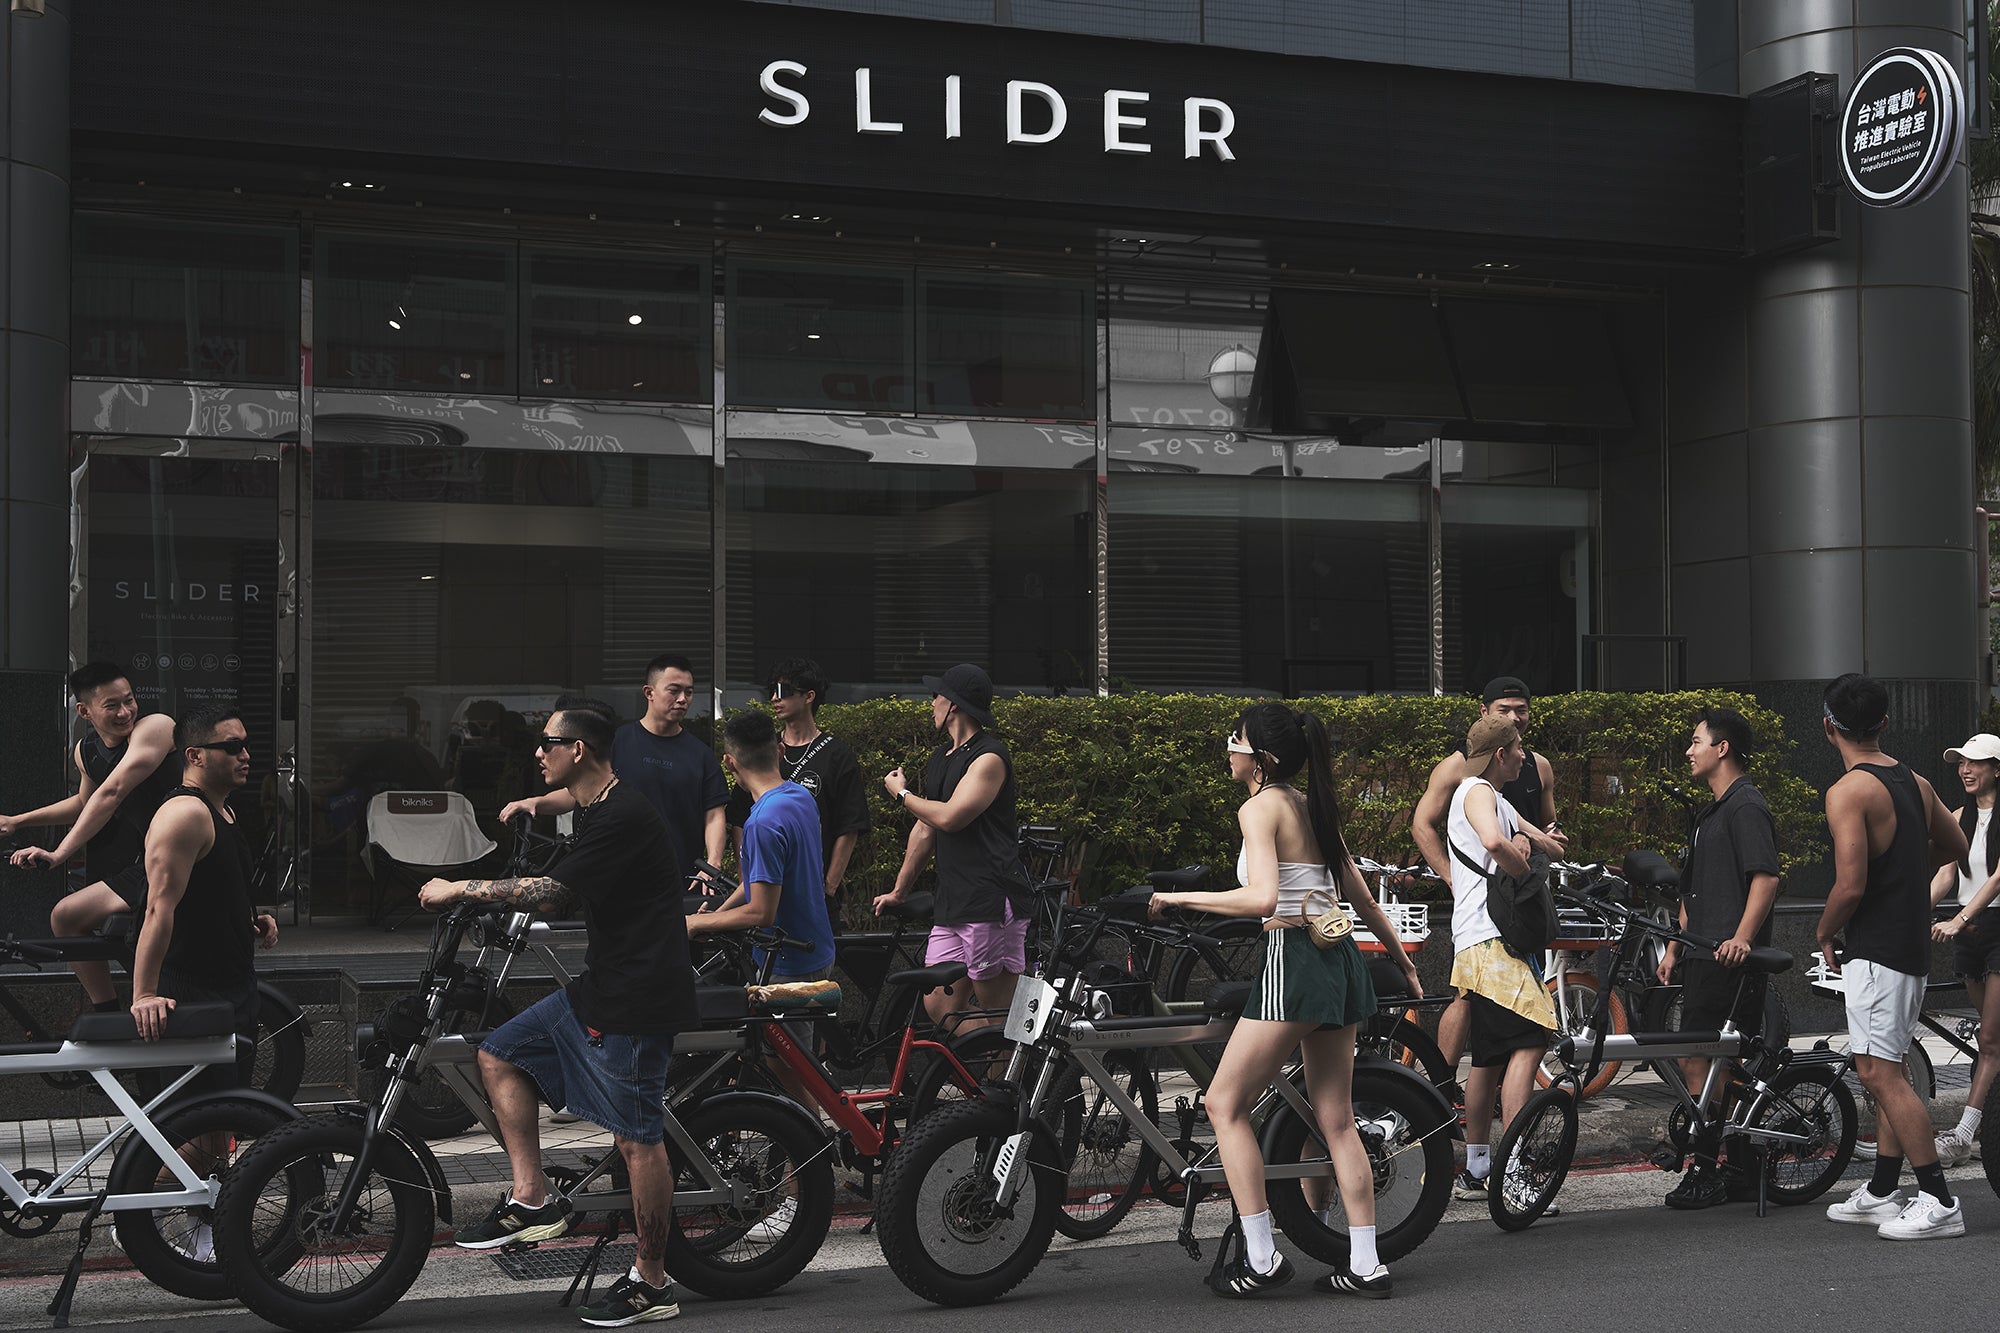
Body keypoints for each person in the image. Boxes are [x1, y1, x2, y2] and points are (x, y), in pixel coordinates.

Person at [421, 699, 701, 1326]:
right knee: (500, 1051)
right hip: (602, 985)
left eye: (547, 743)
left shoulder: (623, 815)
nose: (537, 752)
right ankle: (533, 1198)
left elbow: (554, 892)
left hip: (638, 998)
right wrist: (531, 804)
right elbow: (566, 799)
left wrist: (462, 887)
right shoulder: (594, 798)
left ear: (578, 750)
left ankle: (653, 1282)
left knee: (637, 1139)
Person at [1150, 704, 1420, 1299]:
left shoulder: (1259, 807)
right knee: (1337, 1119)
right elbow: (1359, 896)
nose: (1229, 747)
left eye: (1236, 739)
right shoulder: (1310, 804)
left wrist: (1180, 898)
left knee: (1224, 1104)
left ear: (1261, 759)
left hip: (1293, 959)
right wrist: (1402, 962)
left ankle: (1262, 1256)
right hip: (1341, 958)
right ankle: (1367, 1265)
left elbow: (1262, 898)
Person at [1816, 672, 1968, 1241]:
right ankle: (1883, 1189)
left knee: (1880, 1073)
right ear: (1883, 722)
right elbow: (1954, 845)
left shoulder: (1848, 791)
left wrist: (1824, 931)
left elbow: (1850, 885)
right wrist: (1904, 861)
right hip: (1906, 943)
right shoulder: (1916, 782)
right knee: (1889, 1065)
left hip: (1877, 947)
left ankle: (1939, 1200)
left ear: (1828, 727)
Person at [1409, 676, 1566, 1088]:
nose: (1515, 717)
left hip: (1522, 904)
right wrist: (1452, 878)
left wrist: (1544, 839)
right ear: (1484, 713)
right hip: (1488, 913)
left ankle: (1466, 1114)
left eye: (1521, 710)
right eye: (1504, 710)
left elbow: (1545, 825)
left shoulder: (1536, 765)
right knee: (1474, 1003)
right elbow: (1423, 825)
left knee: (1492, 1046)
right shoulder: (1462, 771)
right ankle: (1441, 1088)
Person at [1, 662, 184, 1012]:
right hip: (152, 864)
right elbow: (86, 803)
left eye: (129, 700)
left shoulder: (156, 728)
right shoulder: (87, 751)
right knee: (66, 917)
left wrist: (59, 853)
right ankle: (107, 1013)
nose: (125, 711)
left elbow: (112, 792)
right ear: (85, 711)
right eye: (112, 705)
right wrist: (17, 822)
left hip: (189, 860)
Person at [1654, 706, 1781, 1209]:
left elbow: (1766, 878)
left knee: (1701, 1061)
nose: (1689, 751)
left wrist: (1743, 939)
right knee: (1709, 1062)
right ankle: (1742, 1165)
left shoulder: (1746, 806)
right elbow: (1691, 894)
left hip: (1730, 960)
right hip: (1702, 956)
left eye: (1696, 741)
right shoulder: (1710, 811)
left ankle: (1710, 1169)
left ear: (1721, 748)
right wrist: (1674, 947)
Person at [871, 664, 1032, 1031]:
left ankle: (1012, 1068)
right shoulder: (942, 757)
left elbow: (950, 818)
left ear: (954, 704)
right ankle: (995, 1060)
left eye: (936, 696)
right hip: (954, 902)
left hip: (990, 900)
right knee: (940, 1005)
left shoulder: (989, 758)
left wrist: (902, 794)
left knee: (999, 1013)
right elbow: (925, 827)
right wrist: (899, 891)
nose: (931, 703)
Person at [128, 705, 280, 1088]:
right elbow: (157, 908)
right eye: (232, 747)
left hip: (234, 986)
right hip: (193, 993)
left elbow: (211, 888)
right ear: (195, 755)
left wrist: (247, 919)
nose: (245, 755)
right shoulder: (184, 814)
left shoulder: (222, 810)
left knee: (230, 1111)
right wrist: (144, 994)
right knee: (199, 1115)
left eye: (245, 745)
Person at [1444, 715, 1557, 1207]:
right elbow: (1494, 842)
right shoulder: (1476, 791)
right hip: (1494, 941)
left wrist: (1538, 842)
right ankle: (1514, 1173)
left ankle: (1478, 1170)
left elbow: (1545, 840)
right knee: (1530, 1042)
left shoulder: (1496, 797)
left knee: (1489, 1058)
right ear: (1500, 755)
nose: (1524, 756)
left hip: (1476, 942)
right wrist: (1526, 871)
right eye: (1519, 748)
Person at [501, 655, 727, 889]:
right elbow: (581, 791)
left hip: (680, 881)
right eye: (674, 690)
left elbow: (714, 814)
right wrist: (536, 803)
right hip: (615, 880)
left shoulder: (701, 754)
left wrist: (712, 864)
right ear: (649, 692)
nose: (682, 699)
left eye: (688, 692)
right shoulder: (617, 742)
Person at [724, 658, 870, 933]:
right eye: (772, 690)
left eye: (784, 690)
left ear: (809, 696)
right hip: (764, 889)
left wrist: (828, 887)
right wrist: (748, 884)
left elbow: (849, 826)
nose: (774, 698)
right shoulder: (762, 747)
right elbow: (740, 820)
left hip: (814, 894)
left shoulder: (837, 755)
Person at [690, 710, 836, 981]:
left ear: (729, 763)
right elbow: (762, 881)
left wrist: (697, 922)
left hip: (789, 965)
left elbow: (761, 911)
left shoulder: (761, 823)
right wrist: (718, 916)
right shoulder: (801, 797)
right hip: (817, 949)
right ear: (780, 750)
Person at [1928, 732, 2000, 1167]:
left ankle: (1963, 1135)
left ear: (1997, 768)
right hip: (1971, 934)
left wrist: (1959, 918)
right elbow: (1944, 876)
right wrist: (1910, 914)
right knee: (1992, 1040)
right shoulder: (1958, 817)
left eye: (1975, 762)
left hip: (1994, 926)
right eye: (1961, 762)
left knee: (1989, 1040)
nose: (1965, 769)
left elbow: (1997, 878)